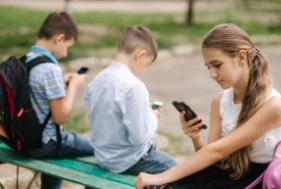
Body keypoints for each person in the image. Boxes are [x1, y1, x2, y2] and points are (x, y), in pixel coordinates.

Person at [135, 23, 281, 189]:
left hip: (261, 181)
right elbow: (213, 156)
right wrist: (195, 137)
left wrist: (159, 177)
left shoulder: (273, 106)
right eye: (208, 67)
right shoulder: (219, 101)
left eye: (217, 65)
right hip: (228, 175)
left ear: (242, 58)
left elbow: (218, 151)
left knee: (163, 183)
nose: (212, 74)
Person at [84, 25, 176, 175]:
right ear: (140, 55)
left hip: (103, 158)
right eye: (146, 64)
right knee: (180, 172)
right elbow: (139, 139)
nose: (144, 69)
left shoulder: (97, 80)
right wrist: (153, 117)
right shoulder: (134, 86)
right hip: (129, 161)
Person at [24, 12, 94, 189]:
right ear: (60, 39)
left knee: (59, 151)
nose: (66, 52)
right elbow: (61, 117)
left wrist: (61, 83)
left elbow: (36, 94)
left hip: (24, 139)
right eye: (68, 46)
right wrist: (73, 87)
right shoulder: (50, 68)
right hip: (46, 143)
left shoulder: (26, 60)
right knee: (100, 149)